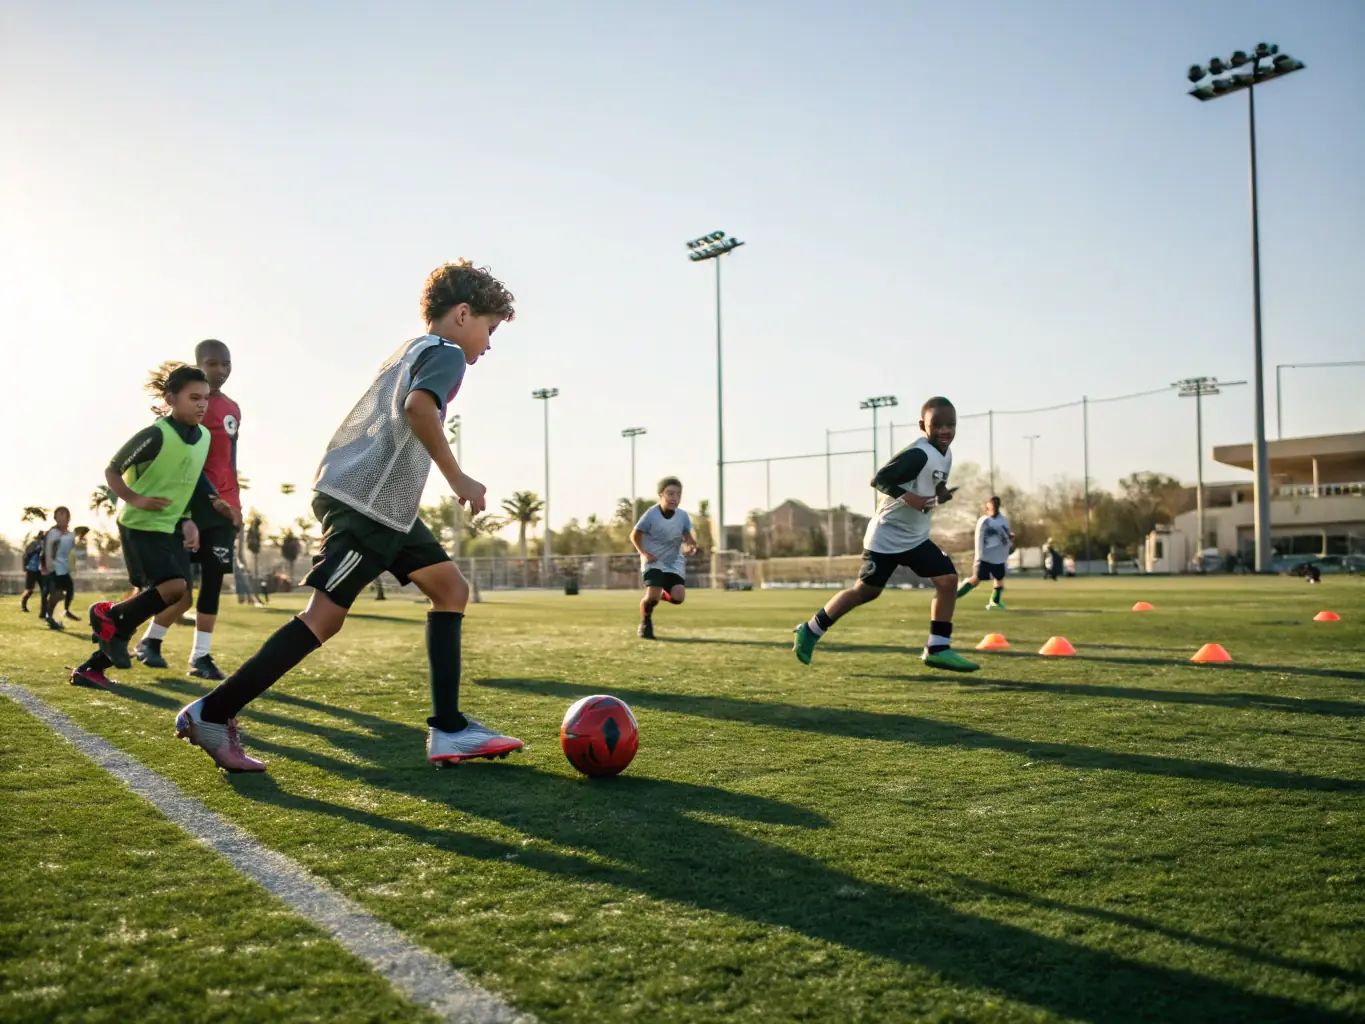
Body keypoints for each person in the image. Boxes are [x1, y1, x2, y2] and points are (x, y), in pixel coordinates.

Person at [174, 260, 523, 773]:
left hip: (388, 509)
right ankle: (211, 711)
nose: (488, 345)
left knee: (451, 590)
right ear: (463, 314)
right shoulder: (446, 353)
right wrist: (458, 478)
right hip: (367, 507)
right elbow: (418, 409)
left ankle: (448, 730)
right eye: (489, 330)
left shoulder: (411, 348)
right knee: (324, 617)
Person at [792, 397, 978, 672]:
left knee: (948, 580)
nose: (945, 431)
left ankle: (938, 647)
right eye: (937, 425)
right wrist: (911, 497)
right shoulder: (918, 453)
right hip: (887, 536)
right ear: (922, 426)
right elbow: (880, 479)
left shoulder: (946, 454)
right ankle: (810, 629)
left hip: (915, 538)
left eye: (950, 425)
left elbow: (936, 482)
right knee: (865, 592)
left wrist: (941, 494)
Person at [72, 366, 217, 688]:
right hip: (139, 525)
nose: (202, 405)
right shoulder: (156, 434)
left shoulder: (204, 437)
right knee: (172, 587)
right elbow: (112, 470)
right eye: (194, 398)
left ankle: (96, 659)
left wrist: (187, 519)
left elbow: (185, 481)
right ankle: (110, 618)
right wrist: (134, 498)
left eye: (205, 398)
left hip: (171, 528)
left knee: (175, 598)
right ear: (170, 399)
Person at [135, 341, 243, 679]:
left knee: (213, 583)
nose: (221, 370)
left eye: (227, 364)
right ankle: (141, 637)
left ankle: (201, 657)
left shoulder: (232, 409)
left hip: (223, 509)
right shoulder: (186, 407)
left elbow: (230, 459)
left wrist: (235, 502)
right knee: (179, 588)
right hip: (189, 504)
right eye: (213, 364)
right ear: (199, 365)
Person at [631, 477, 698, 640]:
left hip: (674, 562)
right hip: (653, 561)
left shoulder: (683, 516)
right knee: (652, 597)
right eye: (670, 493)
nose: (674, 497)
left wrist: (691, 544)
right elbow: (635, 535)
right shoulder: (651, 515)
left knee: (678, 597)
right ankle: (646, 623)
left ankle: (657, 595)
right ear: (660, 495)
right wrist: (643, 552)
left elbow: (688, 535)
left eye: (678, 494)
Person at [956, 495, 1014, 610]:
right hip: (985, 556)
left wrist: (1009, 539)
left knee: (999, 578)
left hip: (998, 557)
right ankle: (952, 596)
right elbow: (979, 538)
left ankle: (995, 602)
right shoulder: (984, 521)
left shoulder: (1003, 521)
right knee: (976, 579)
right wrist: (980, 555)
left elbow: (1006, 537)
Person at [41, 506, 78, 628]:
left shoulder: (71, 534)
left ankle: (64, 611)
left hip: (65, 568)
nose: (62, 518)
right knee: (57, 594)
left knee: (69, 591)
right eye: (59, 515)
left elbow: (72, 550)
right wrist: (46, 565)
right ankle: (49, 616)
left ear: (69, 518)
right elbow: (48, 550)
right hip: (55, 567)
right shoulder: (53, 533)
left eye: (64, 515)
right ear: (55, 518)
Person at [20, 530, 45, 613]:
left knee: (44, 589)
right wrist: (25, 567)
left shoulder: (45, 545)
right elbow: (26, 555)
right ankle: (23, 605)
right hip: (31, 569)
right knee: (29, 589)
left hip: (40, 570)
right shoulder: (33, 544)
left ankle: (44, 609)